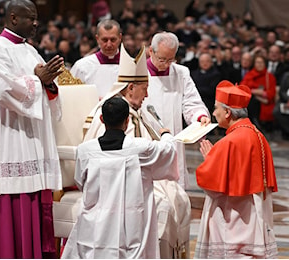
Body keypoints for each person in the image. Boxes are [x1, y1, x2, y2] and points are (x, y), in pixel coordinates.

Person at [0, 0, 64, 258]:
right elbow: (5, 89)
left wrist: (50, 85)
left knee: (32, 195)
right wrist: (38, 80)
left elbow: (44, 87)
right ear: (12, 18)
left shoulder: (31, 51)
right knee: (11, 201)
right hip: (7, 138)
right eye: (29, 18)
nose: (35, 23)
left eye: (36, 18)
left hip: (30, 137)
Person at [83, 43, 192, 258]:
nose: (147, 94)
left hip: (136, 177)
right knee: (162, 205)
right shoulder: (109, 112)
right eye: (145, 88)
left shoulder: (136, 111)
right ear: (131, 87)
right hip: (117, 183)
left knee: (178, 197)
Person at [62, 97, 178, 258]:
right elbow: (168, 150)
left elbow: (81, 182)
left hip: (95, 226)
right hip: (130, 226)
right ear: (127, 120)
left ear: (102, 119)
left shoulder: (85, 150)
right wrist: (166, 134)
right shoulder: (141, 149)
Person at [194, 80, 278, 258]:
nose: (214, 113)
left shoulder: (229, 142)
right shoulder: (257, 134)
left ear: (227, 112)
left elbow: (212, 186)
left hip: (233, 218)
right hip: (253, 215)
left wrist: (210, 160)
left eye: (216, 108)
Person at [144, 31, 210, 189]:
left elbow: (191, 101)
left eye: (170, 59)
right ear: (151, 51)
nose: (166, 64)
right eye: (162, 59)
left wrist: (199, 116)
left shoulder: (181, 72)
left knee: (174, 191)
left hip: (173, 134)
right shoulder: (136, 72)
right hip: (147, 135)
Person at [70, 19, 122, 99]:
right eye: (104, 40)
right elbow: (72, 94)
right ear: (97, 39)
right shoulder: (82, 66)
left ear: (120, 38)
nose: (109, 44)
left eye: (113, 40)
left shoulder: (131, 65)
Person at [240, 55, 277, 131]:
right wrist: (254, 91)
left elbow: (271, 94)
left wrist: (262, 93)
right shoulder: (249, 75)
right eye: (257, 62)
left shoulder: (270, 77)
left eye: (261, 62)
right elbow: (242, 88)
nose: (259, 64)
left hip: (265, 102)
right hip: (251, 102)